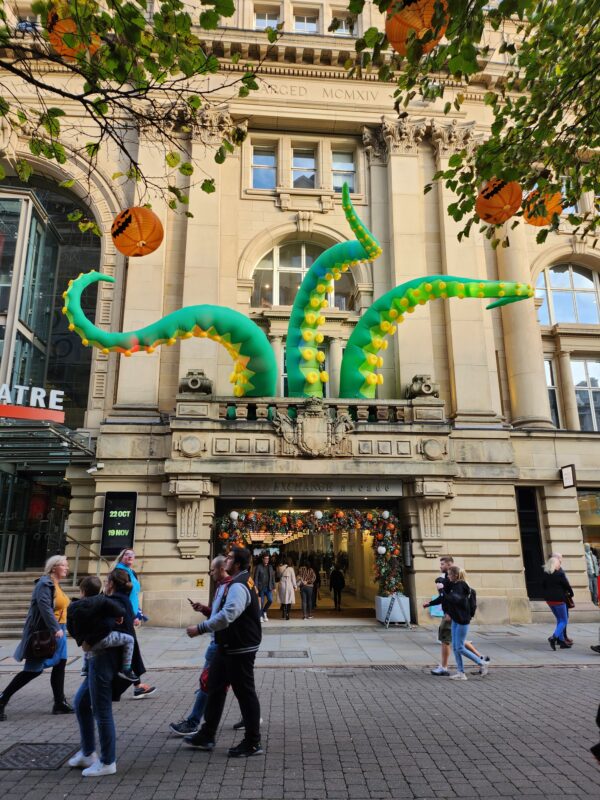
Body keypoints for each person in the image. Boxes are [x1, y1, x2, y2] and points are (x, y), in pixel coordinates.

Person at [184, 546, 263, 758]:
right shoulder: (242, 580)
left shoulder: (238, 585)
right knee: (214, 687)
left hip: (240, 646)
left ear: (236, 564)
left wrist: (200, 629)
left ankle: (253, 742)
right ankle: (207, 734)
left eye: (229, 558)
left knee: (245, 692)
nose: (225, 561)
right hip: (228, 646)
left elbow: (228, 615)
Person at [70, 569, 142, 777]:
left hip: (103, 660)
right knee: (81, 703)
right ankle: (87, 752)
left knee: (102, 711)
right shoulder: (112, 599)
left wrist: (87, 642)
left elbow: (108, 624)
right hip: (98, 658)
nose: (104, 584)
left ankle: (107, 761)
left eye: (106, 580)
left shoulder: (117, 601)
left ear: (111, 584)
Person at [0, 555, 73, 721]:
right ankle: (2, 699)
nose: (67, 568)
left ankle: (59, 702)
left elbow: (62, 606)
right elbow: (45, 608)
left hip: (58, 629)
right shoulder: (44, 584)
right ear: (54, 567)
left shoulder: (56, 585)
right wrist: (55, 628)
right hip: (45, 632)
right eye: (64, 565)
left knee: (60, 664)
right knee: (32, 670)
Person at [169, 556, 232, 736]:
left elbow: (225, 617)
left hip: (220, 643)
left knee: (207, 682)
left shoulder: (231, 587)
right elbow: (216, 613)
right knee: (240, 684)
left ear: (221, 569)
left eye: (212, 570)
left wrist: (200, 628)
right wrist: (204, 609)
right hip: (219, 642)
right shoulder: (220, 587)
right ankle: (250, 717)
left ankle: (193, 722)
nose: (210, 573)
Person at [67, 576, 137, 682]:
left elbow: (70, 626)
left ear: (82, 591)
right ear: (99, 590)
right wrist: (118, 616)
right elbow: (120, 610)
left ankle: (85, 667)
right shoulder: (103, 601)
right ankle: (126, 668)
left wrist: (79, 638)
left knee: (87, 632)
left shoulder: (73, 606)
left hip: (85, 641)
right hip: (102, 639)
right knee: (130, 639)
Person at [113, 548, 155, 698]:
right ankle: (135, 686)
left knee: (129, 649)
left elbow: (134, 595)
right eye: (126, 554)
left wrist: (137, 613)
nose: (130, 556)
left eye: (132, 555)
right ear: (121, 557)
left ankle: (134, 685)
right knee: (130, 649)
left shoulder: (132, 573)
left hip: (129, 614)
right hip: (123, 615)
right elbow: (117, 595)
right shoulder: (118, 573)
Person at [441, 565, 489, 680]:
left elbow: (454, 599)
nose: (448, 577)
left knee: (460, 647)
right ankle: (461, 673)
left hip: (462, 620)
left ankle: (481, 662)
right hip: (456, 619)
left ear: (455, 575)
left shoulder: (460, 585)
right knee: (455, 647)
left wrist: (441, 590)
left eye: (449, 574)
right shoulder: (456, 585)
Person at [422, 555, 454, 676]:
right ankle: (481, 659)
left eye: (442, 564)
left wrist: (441, 589)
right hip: (449, 613)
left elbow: (447, 597)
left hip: (449, 615)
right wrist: (429, 604)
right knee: (458, 642)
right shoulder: (446, 577)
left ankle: (444, 667)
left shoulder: (452, 579)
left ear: (449, 565)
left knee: (445, 640)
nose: (440, 566)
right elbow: (442, 599)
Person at [542, 555, 574, 650]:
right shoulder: (559, 574)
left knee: (559, 620)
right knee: (563, 620)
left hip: (549, 600)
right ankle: (554, 637)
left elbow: (542, 586)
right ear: (556, 564)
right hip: (559, 599)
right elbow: (566, 585)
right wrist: (571, 593)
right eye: (559, 563)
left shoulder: (546, 573)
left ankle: (562, 641)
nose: (560, 564)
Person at [254, 552, 275, 622]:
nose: (267, 560)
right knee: (261, 602)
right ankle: (260, 616)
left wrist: (274, 586)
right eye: (265, 559)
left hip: (268, 587)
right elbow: (256, 578)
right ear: (262, 559)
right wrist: (255, 587)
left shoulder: (270, 567)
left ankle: (264, 611)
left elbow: (272, 577)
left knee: (270, 600)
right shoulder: (258, 567)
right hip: (261, 587)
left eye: (268, 559)